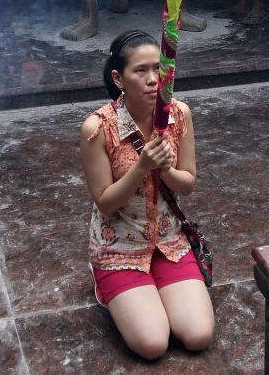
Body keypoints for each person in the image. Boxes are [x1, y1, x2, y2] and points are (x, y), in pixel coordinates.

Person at [80, 31, 214, 359]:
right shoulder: (97, 128)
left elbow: (187, 183)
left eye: (158, 68)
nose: (153, 79)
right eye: (141, 70)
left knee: (198, 336)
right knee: (152, 344)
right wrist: (140, 168)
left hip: (168, 242)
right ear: (118, 78)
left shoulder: (179, 114)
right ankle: (104, 280)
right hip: (119, 247)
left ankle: (155, 287)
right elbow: (105, 201)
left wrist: (165, 169)